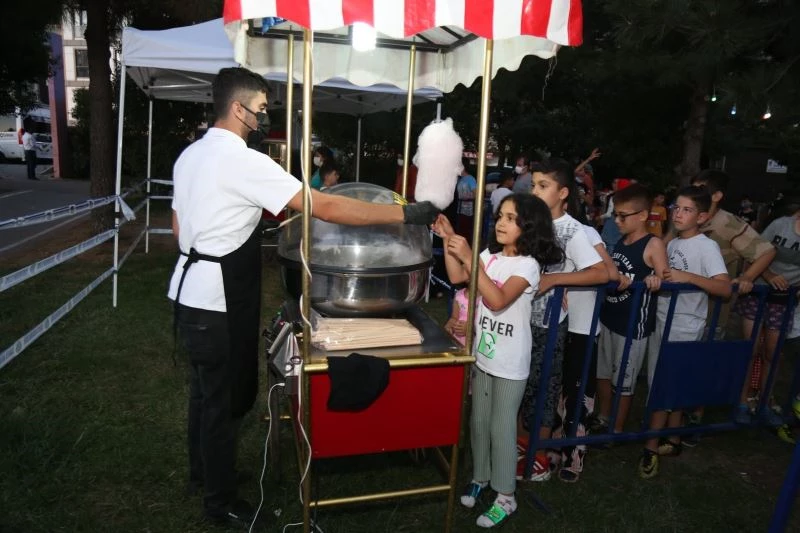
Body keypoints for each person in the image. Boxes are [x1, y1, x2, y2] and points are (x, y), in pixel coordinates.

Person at [167, 67, 439, 528]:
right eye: (260, 109)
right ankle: (219, 501)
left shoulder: (190, 154)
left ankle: (205, 473)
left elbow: (179, 229)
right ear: (237, 108)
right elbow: (326, 205)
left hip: (186, 289)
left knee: (202, 392)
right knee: (221, 400)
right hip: (217, 296)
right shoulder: (242, 160)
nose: (263, 117)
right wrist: (403, 213)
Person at [433, 194, 563, 528]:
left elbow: (498, 299)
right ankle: (482, 477)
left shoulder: (528, 266)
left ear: (529, 226)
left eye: (511, 218)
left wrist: (469, 258)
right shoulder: (489, 255)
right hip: (484, 356)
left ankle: (506, 495)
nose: (501, 223)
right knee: (479, 422)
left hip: (509, 362)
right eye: (500, 216)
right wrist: (449, 239)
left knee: (502, 427)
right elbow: (459, 278)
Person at [519, 158, 608, 482]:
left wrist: (557, 280)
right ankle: (521, 449)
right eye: (533, 185)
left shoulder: (573, 230)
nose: (535, 191)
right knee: (523, 388)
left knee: (545, 390)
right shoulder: (531, 224)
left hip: (550, 325)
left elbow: (601, 272)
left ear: (563, 192)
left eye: (543, 186)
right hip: (522, 320)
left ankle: (540, 457)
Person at [639, 186, 730, 479]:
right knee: (670, 384)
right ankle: (674, 439)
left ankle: (650, 448)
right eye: (676, 208)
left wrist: (686, 277)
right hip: (663, 319)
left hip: (684, 325)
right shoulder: (674, 242)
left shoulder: (706, 247)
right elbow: (666, 274)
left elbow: (724, 287)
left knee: (664, 385)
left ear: (701, 217)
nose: (678, 214)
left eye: (687, 210)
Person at [687, 170, 775, 439]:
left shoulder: (728, 223)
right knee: (685, 359)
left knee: (706, 360)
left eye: (701, 189)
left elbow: (766, 251)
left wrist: (747, 277)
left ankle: (695, 415)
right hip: (684, 308)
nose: (695, 194)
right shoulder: (687, 215)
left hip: (713, 310)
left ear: (716, 196)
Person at [594, 184, 668, 436]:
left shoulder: (653, 244)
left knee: (623, 381)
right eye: (616, 214)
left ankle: (616, 430)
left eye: (623, 216)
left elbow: (665, 277)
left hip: (632, 326)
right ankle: (604, 417)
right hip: (609, 318)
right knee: (604, 373)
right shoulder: (621, 241)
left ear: (643, 215)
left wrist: (656, 279)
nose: (617, 220)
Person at [553, 217, 618, 482]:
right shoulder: (539, 226)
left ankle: (574, 453)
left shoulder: (585, 231)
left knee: (577, 392)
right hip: (553, 324)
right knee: (554, 388)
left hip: (582, 325)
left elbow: (610, 272)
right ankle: (553, 446)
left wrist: (560, 281)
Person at [733, 195, 800, 426]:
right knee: (751, 350)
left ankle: (765, 401)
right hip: (758, 293)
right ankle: (742, 401)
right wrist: (769, 275)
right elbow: (756, 254)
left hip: (784, 300)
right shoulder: (780, 225)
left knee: (773, 353)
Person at [598, 178, 632, 254]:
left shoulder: (614, 197)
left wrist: (599, 217)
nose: (614, 185)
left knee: (608, 245)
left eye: (617, 184)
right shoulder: (630, 200)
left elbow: (609, 213)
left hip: (612, 223)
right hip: (622, 224)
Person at [455, 158, 478, 243]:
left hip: (468, 210)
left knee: (466, 231)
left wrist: (467, 197)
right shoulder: (460, 179)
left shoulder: (471, 179)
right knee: (460, 230)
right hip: (460, 209)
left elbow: (476, 194)